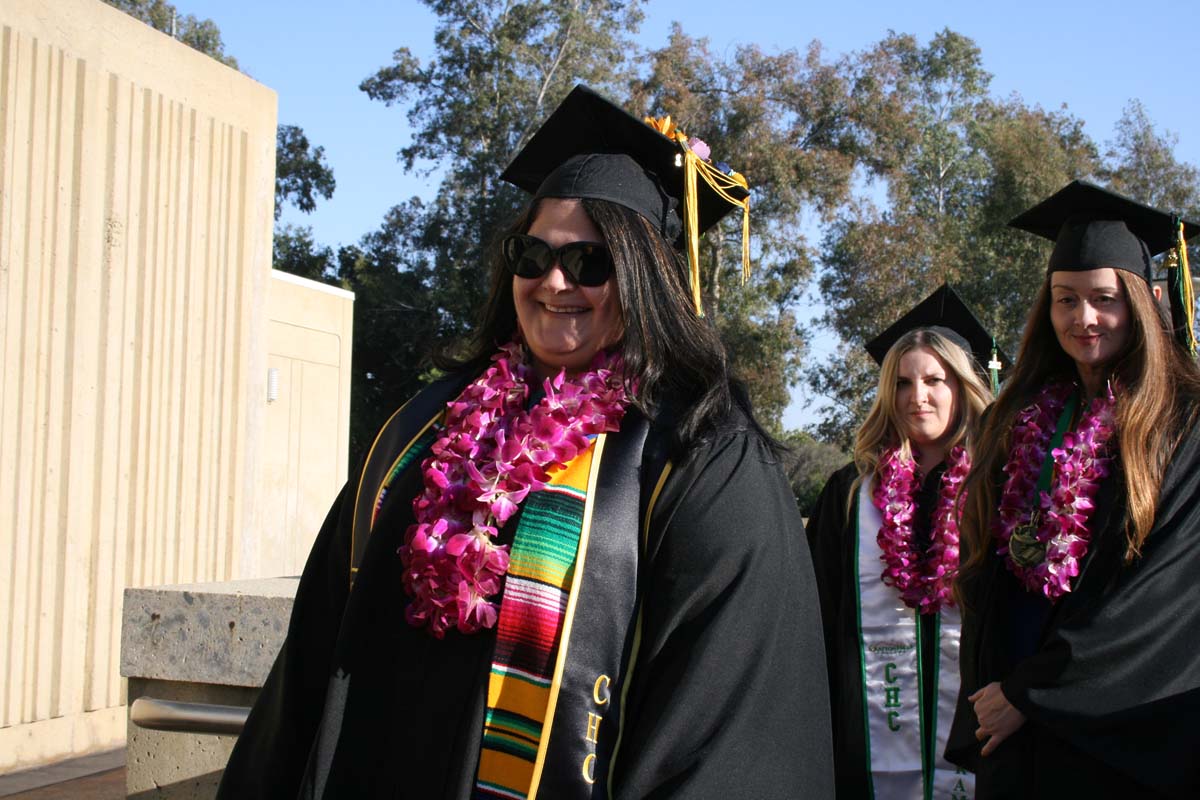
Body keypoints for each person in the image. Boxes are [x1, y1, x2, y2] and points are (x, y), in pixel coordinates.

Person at [216, 85, 833, 800]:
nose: (554, 282)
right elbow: (318, 653)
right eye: (532, 255)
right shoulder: (425, 428)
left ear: (644, 276)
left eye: (591, 262)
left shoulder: (698, 452)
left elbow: (727, 715)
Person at [946, 180, 1200, 799]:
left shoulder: (1182, 421)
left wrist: (1033, 693)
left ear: (1140, 302)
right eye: (1065, 300)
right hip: (1014, 715)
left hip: (1120, 728)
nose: (1083, 318)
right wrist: (998, 689)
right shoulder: (1025, 412)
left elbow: (1166, 590)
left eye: (1103, 299)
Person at [806, 283, 1002, 799]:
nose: (918, 396)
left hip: (981, 729)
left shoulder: (1001, 485)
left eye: (935, 379)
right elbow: (821, 611)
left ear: (962, 386)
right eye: (903, 382)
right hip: (865, 727)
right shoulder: (851, 491)